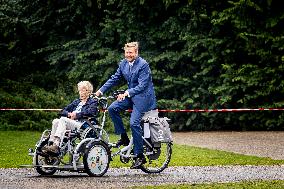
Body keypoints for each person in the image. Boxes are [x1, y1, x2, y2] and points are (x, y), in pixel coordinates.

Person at [95, 42, 157, 169]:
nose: (128, 55)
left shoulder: (143, 65)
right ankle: (124, 137)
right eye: (126, 52)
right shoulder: (123, 64)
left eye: (131, 52)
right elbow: (114, 78)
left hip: (143, 98)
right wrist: (100, 91)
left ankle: (139, 155)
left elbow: (143, 85)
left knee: (134, 123)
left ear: (136, 53)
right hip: (131, 96)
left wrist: (127, 92)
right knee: (112, 108)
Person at [44, 81, 98, 154]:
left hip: (83, 124)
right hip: (72, 123)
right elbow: (62, 111)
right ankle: (51, 143)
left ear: (88, 91)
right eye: (80, 90)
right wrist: (69, 114)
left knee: (63, 120)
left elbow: (91, 112)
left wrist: (77, 115)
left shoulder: (93, 101)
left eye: (83, 90)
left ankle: (56, 145)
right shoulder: (76, 101)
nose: (81, 92)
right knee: (55, 121)